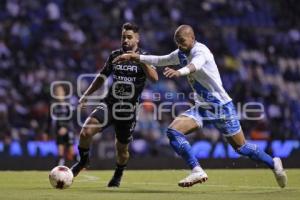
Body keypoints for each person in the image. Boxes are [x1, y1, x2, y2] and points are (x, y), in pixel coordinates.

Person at [113, 25, 288, 188]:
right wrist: (135, 56)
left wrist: (179, 72)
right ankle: (197, 170)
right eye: (177, 43)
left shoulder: (201, 51)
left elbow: (194, 66)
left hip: (221, 107)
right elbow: (161, 60)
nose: (180, 46)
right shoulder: (181, 52)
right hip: (202, 107)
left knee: (241, 148)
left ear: (192, 38)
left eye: (182, 42)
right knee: (173, 132)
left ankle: (273, 163)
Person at [71, 22, 158, 187]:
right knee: (85, 132)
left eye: (129, 37)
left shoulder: (145, 57)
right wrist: (86, 95)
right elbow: (101, 77)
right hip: (109, 105)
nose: (125, 40)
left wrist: (138, 59)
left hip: (127, 111)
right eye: (123, 37)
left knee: (122, 150)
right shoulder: (114, 55)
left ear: (137, 39)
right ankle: (83, 161)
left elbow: (154, 78)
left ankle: (118, 173)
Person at [49, 84, 76, 166]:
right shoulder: (53, 105)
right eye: (57, 91)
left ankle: (80, 167)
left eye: (60, 90)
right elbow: (50, 118)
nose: (58, 92)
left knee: (72, 151)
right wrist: (46, 131)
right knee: (60, 152)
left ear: (64, 92)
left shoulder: (69, 103)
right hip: (58, 130)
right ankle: (59, 169)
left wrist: (65, 127)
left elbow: (71, 117)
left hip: (68, 130)